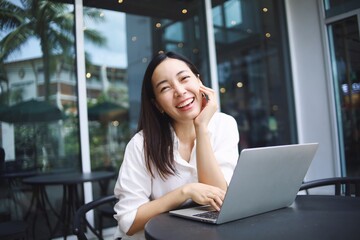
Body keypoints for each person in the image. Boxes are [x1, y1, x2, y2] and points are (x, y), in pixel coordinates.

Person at [113, 51, 239, 240]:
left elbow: (219, 200)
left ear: (199, 81)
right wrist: (184, 192)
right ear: (158, 105)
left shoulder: (224, 125)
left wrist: (201, 127)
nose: (180, 91)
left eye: (184, 78)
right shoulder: (141, 144)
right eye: (165, 88)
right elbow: (128, 222)